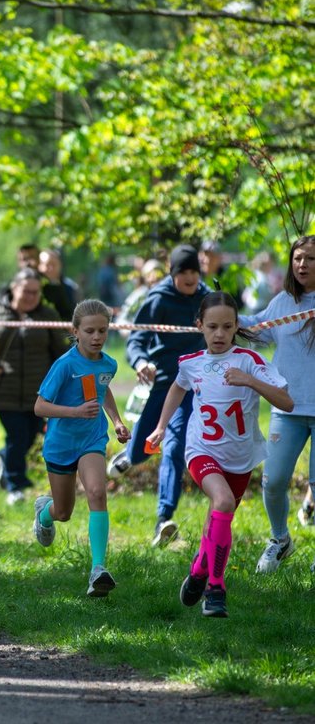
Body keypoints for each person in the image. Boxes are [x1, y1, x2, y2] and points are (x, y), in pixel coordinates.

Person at [146, 292, 293, 617]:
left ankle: (199, 569)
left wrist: (251, 382)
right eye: (212, 326)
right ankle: (215, 589)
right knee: (222, 502)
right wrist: (160, 427)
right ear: (199, 325)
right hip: (201, 450)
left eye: (227, 327)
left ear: (236, 326)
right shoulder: (190, 363)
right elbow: (177, 387)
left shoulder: (249, 361)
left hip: (241, 456)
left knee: (219, 518)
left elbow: (286, 402)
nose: (219, 334)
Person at [108, 244, 210, 546]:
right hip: (162, 382)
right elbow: (136, 340)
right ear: (173, 273)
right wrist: (141, 362)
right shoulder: (158, 299)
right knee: (142, 450)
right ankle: (130, 455)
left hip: (192, 387)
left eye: (194, 271)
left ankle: (164, 518)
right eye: (184, 272)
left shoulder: (208, 299)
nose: (190, 278)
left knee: (175, 446)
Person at [32, 300, 131, 597]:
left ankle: (98, 569)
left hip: (92, 440)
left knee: (98, 494)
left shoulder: (109, 364)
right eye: (90, 331)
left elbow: (103, 389)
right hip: (61, 444)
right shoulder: (64, 365)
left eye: (102, 330)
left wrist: (116, 421)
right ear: (75, 331)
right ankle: (44, 513)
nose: (97, 336)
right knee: (63, 512)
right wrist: (75, 411)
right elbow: (39, 407)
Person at [240, 235, 315, 573]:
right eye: (298, 258)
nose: (302, 265)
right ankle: (280, 539)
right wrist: (224, 311)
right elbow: (255, 328)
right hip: (287, 408)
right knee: (272, 481)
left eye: (311, 259)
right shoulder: (283, 302)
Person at [0, 268, 69, 505]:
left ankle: (7, 462)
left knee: (33, 437)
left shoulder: (47, 314)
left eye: (36, 292)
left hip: (39, 392)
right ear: (14, 288)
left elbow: (61, 350)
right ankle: (16, 485)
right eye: (26, 291)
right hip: (4, 388)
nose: (31, 296)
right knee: (17, 435)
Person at [38, 248, 82, 321]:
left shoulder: (71, 288)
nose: (51, 268)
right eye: (47, 264)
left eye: (54, 264)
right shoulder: (35, 289)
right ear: (39, 266)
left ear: (60, 265)